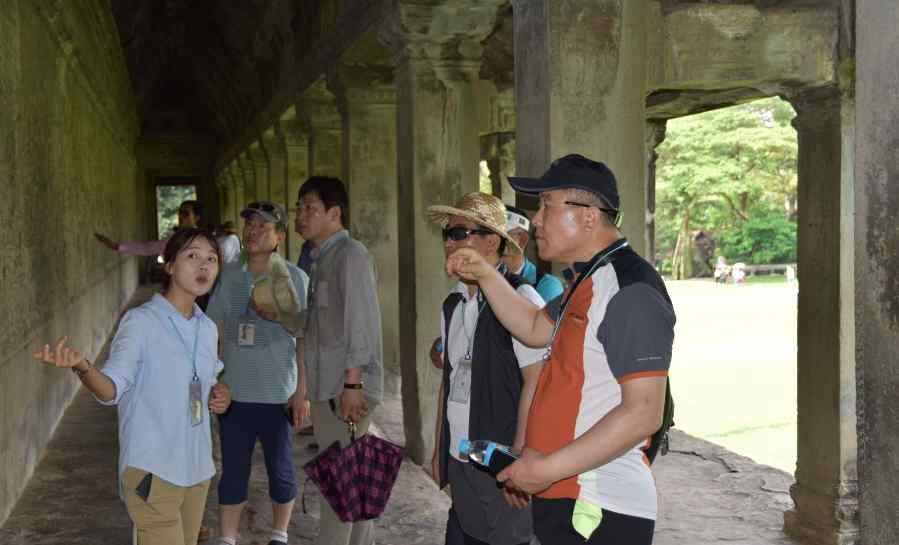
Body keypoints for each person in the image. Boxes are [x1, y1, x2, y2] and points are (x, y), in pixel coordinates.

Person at [446, 154, 675, 545]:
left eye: (547, 207)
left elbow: (643, 412)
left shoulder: (629, 289)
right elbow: (534, 328)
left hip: (602, 507)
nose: (535, 220)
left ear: (589, 215)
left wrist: (547, 467)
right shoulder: (587, 280)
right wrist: (485, 272)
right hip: (568, 497)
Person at [32, 228, 232, 545]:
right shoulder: (142, 321)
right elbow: (111, 390)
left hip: (196, 468)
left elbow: (209, 382)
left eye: (211, 259)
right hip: (153, 468)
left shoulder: (206, 328)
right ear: (169, 265)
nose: (203, 266)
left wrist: (221, 394)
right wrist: (82, 366)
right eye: (192, 256)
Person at [427, 192, 545, 545]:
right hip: (460, 455)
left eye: (461, 233)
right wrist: (439, 450)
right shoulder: (453, 303)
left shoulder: (522, 301)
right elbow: (447, 383)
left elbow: (537, 384)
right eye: (447, 234)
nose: (450, 243)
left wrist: (518, 462)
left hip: (500, 461)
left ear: (492, 240)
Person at [206, 201, 310, 545]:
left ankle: (279, 534)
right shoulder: (229, 276)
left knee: (281, 469)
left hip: (278, 391)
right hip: (235, 391)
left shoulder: (295, 278)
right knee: (233, 471)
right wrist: (214, 379)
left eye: (262, 227)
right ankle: (228, 538)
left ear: (279, 236)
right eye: (249, 225)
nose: (252, 231)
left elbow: (304, 339)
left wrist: (301, 393)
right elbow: (215, 329)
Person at [295, 176, 384, 545]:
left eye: (309, 208)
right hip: (329, 386)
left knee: (338, 491)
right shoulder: (321, 261)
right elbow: (320, 326)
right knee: (355, 487)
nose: (300, 215)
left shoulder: (351, 256)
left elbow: (359, 325)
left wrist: (352, 384)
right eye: (299, 207)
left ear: (335, 214)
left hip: (344, 389)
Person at [95, 200, 205, 256]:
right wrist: (117, 246)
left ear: (196, 218)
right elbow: (148, 248)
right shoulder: (174, 238)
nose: (180, 217)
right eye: (180, 213)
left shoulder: (203, 240)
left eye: (185, 214)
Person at [503, 204, 565, 302]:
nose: (490, 240)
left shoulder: (547, 285)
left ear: (522, 240)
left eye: (501, 235)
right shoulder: (478, 276)